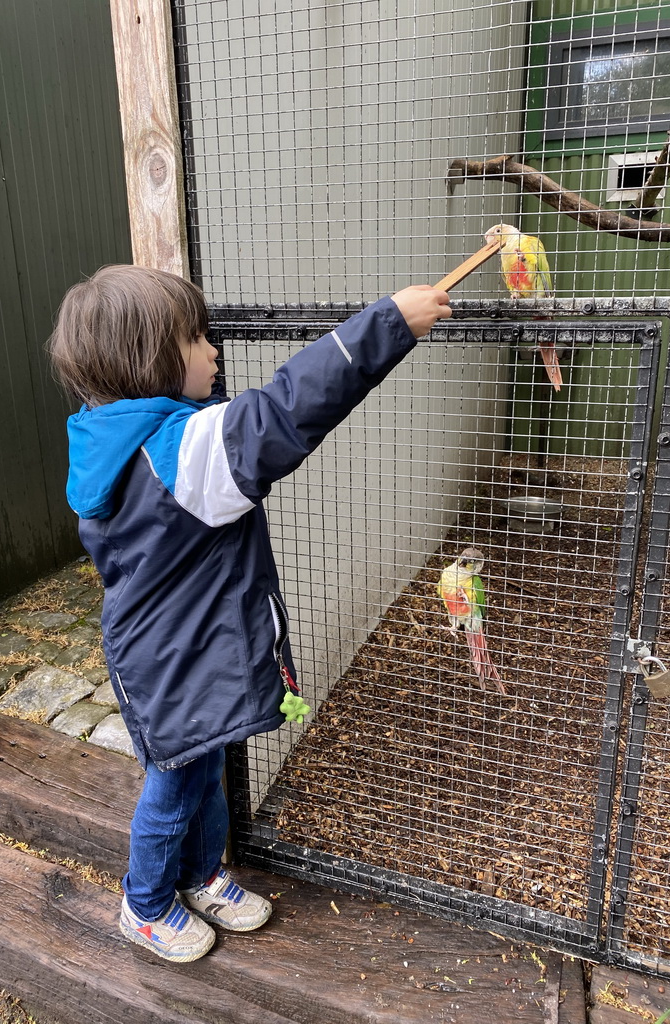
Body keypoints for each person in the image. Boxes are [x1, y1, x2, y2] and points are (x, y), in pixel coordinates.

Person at [47, 265, 451, 963]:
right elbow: (281, 414)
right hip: (173, 660)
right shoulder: (175, 449)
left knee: (203, 769)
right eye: (196, 338)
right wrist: (388, 323)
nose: (214, 351)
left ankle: (201, 876)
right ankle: (142, 906)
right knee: (175, 785)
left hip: (178, 648)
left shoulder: (117, 436)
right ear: (150, 360)